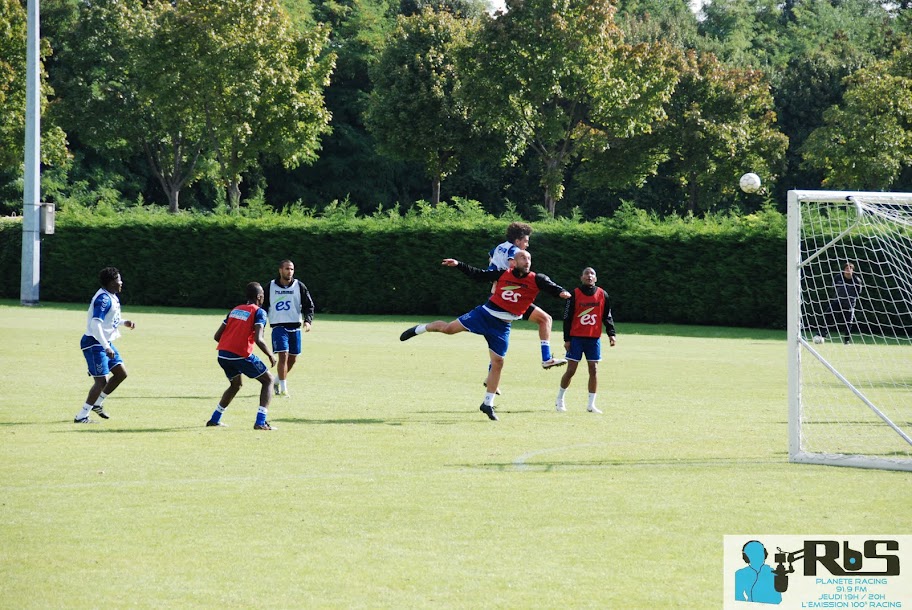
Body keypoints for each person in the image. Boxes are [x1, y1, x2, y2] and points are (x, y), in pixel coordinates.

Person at [399, 250, 571, 421]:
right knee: (448, 329)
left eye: (529, 258)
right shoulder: (503, 273)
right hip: (484, 315)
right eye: (522, 258)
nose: (526, 261)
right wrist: (459, 265)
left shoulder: (536, 279)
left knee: (498, 362)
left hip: (502, 327)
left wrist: (562, 292)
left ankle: (487, 404)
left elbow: (551, 286)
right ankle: (420, 329)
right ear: (513, 262)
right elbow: (478, 275)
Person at [487, 222, 567, 370]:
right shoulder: (515, 251)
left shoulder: (499, 247)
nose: (527, 245)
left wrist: (495, 279)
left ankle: (490, 376)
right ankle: (546, 358)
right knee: (545, 319)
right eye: (526, 241)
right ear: (517, 240)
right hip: (509, 297)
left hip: (499, 295)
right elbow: (512, 267)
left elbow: (491, 259)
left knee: (499, 339)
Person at [206, 282, 278, 430]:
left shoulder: (235, 310)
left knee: (236, 385)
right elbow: (259, 339)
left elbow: (217, 336)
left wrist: (232, 342)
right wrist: (270, 355)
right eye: (263, 295)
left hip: (223, 355)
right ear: (259, 297)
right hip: (240, 355)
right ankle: (260, 422)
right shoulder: (259, 312)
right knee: (268, 380)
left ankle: (214, 419)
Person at [74, 267, 137, 424]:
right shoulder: (104, 299)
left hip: (103, 342)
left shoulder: (112, 296)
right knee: (101, 381)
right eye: (118, 280)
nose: (121, 282)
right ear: (111, 282)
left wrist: (124, 322)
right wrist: (106, 347)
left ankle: (97, 403)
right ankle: (81, 416)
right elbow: (96, 325)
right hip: (94, 343)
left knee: (121, 373)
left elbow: (110, 319)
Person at [555, 267, 616, 414]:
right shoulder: (574, 294)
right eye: (586, 274)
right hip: (576, 338)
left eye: (592, 274)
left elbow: (606, 315)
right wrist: (567, 339)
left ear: (596, 278)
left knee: (594, 370)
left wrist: (611, 333)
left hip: (593, 339)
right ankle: (560, 400)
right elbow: (567, 318)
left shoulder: (602, 294)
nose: (589, 276)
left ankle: (591, 405)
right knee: (571, 370)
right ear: (581, 277)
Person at [264, 259, 314, 397]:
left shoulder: (299, 286)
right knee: (283, 355)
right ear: (280, 270)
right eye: (287, 269)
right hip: (279, 326)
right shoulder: (271, 286)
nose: (289, 271)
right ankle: (284, 389)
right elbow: (263, 306)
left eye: (291, 269)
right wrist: (260, 323)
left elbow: (309, 305)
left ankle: (276, 380)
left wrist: (308, 321)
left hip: (295, 327)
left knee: (292, 359)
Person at [813, 262, 863, 344]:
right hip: (838, 301)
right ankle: (821, 334)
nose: (848, 270)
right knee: (828, 314)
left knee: (848, 323)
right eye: (846, 268)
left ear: (853, 270)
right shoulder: (838, 277)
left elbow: (858, 293)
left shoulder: (857, 280)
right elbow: (834, 288)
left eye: (850, 269)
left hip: (849, 304)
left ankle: (846, 341)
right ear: (844, 270)